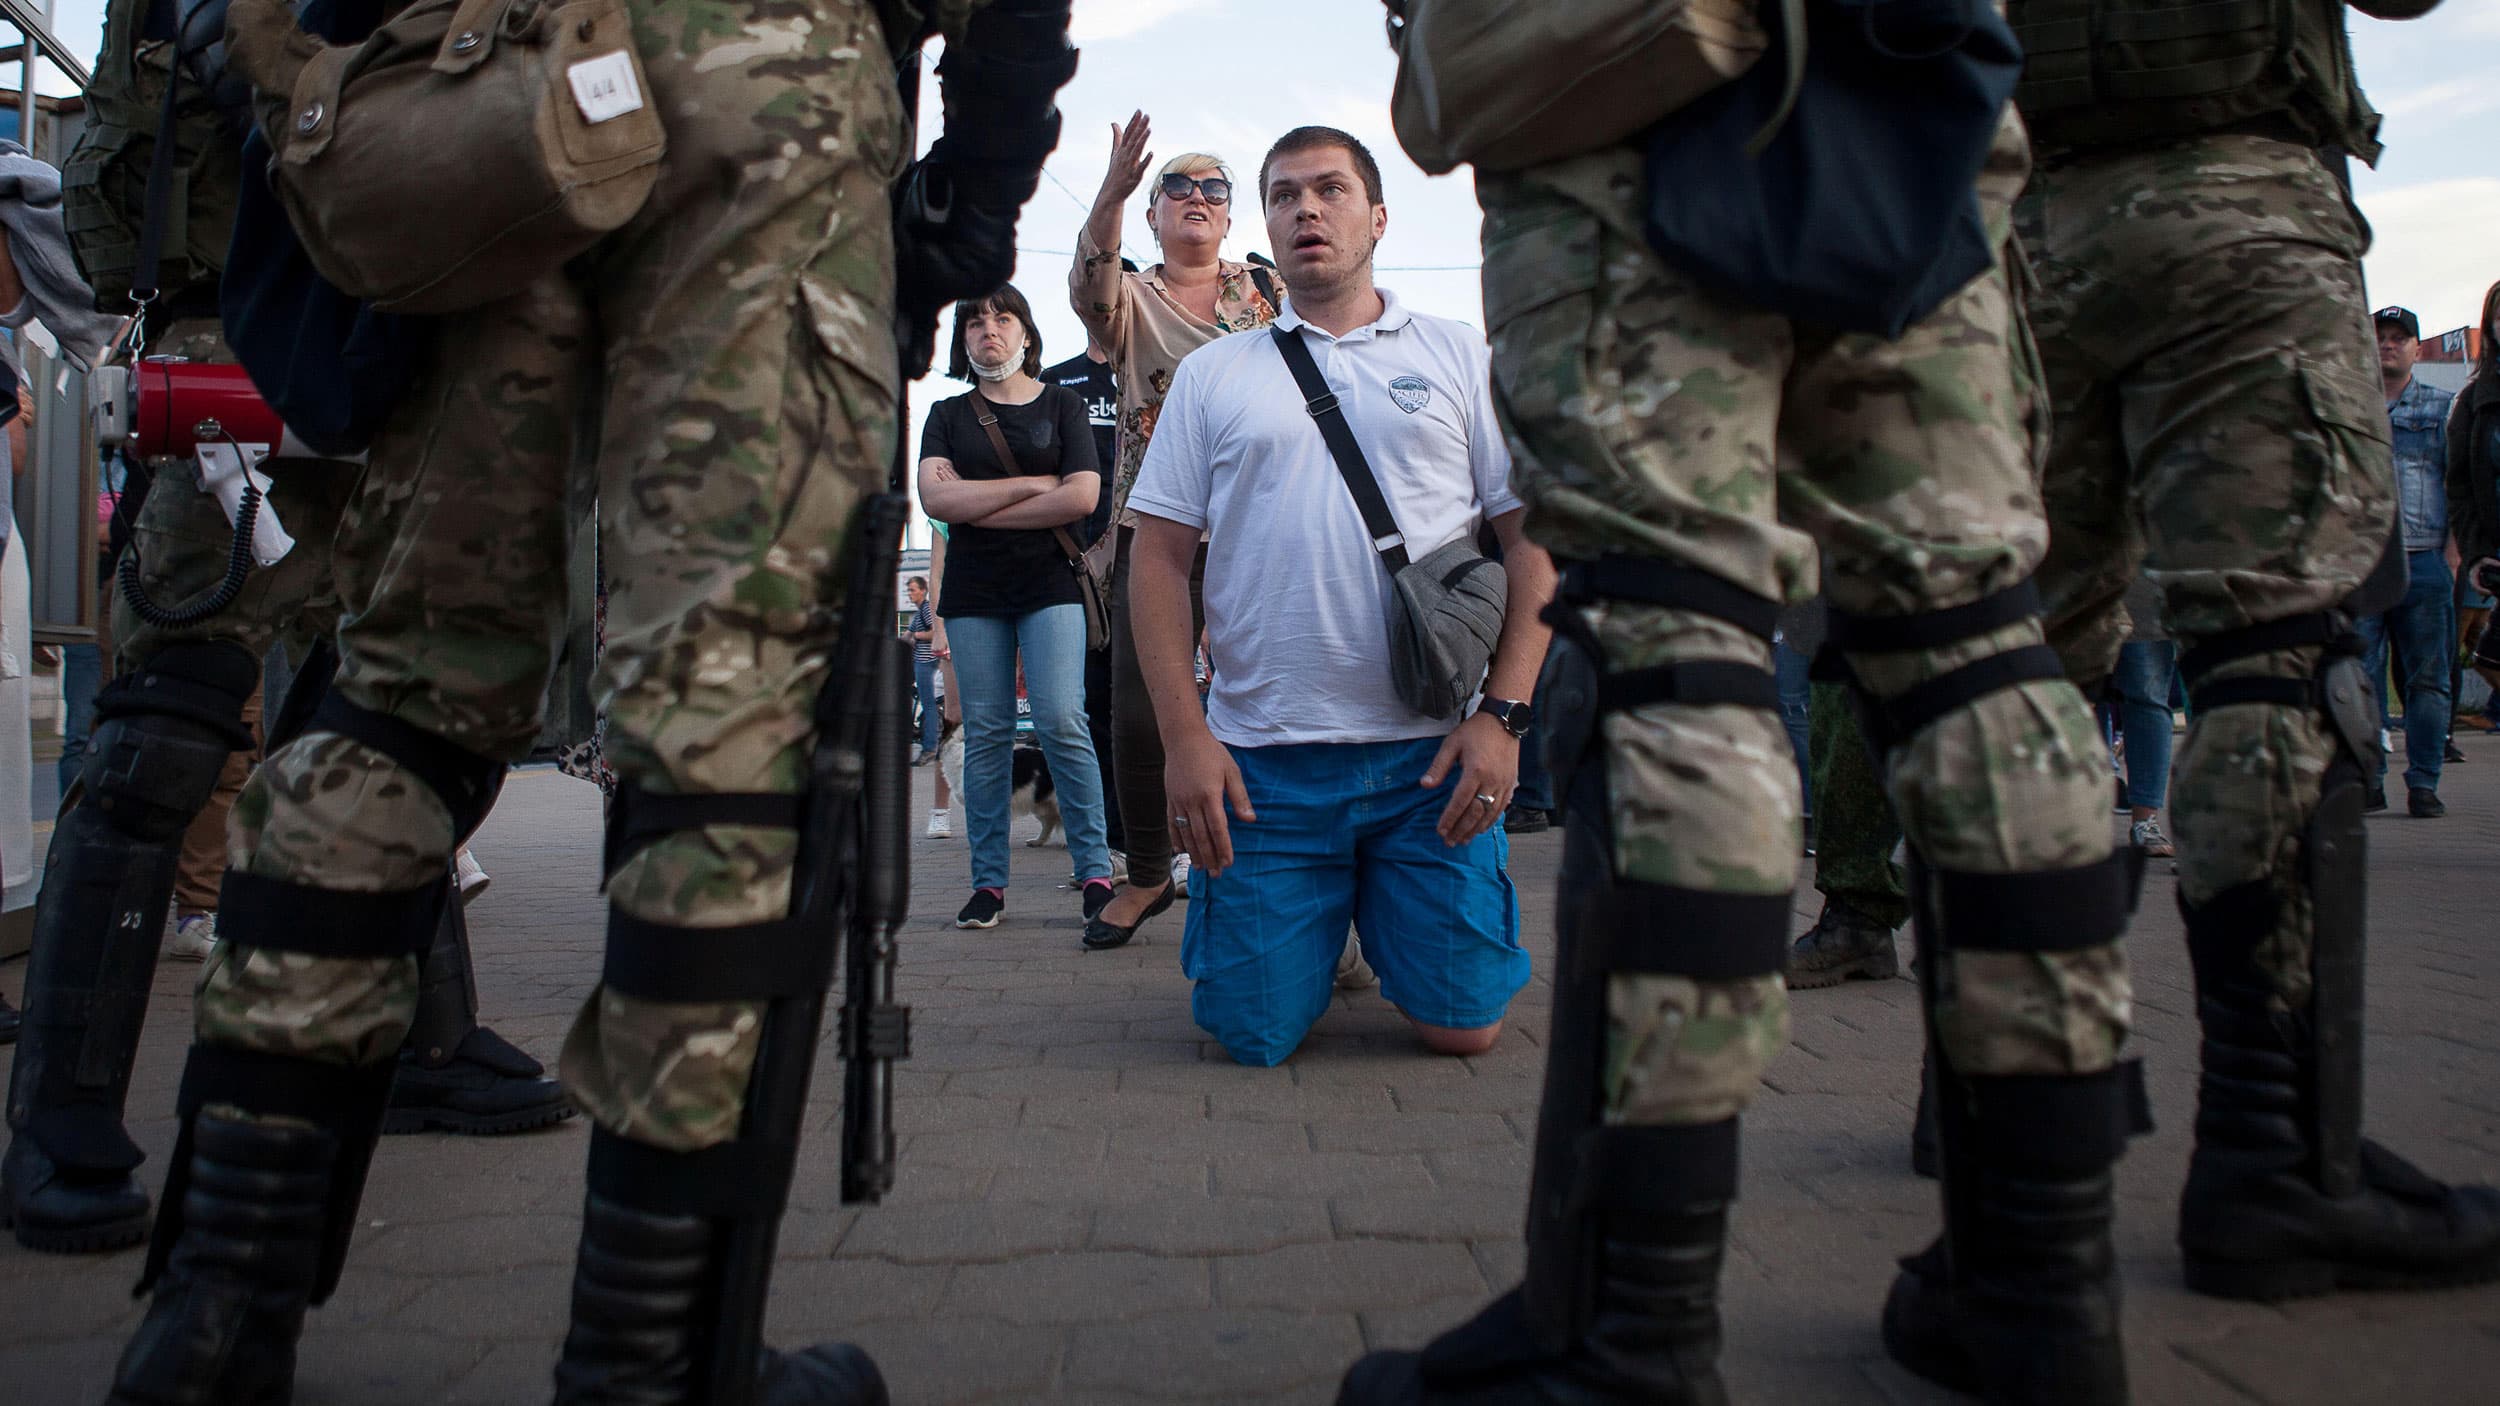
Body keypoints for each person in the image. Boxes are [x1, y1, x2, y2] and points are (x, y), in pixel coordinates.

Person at [99, 3, 1077, 1401]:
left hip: (497, 100)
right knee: (724, 730)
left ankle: (215, 1305)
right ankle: (644, 1353)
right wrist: (978, 193)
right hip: (760, 100)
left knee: (405, 694)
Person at [1342, 32, 2142, 1406]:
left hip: (1629, 93)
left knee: (1676, 657)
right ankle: (2045, 1286)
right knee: (1976, 654)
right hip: (1907, 87)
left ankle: (1631, 1327)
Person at [0, 96, 566, 1261]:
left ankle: (425, 1039)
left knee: (396, 709)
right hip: (251, 331)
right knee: (171, 717)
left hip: (417, 347)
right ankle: (60, 1118)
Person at [2021, 0, 2499, 1380]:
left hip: (2010, 234)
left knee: (2017, 680)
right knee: (2271, 661)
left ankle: (2004, 1149)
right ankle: (2272, 1155)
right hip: (2233, 196)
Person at [1129, 126, 1552, 1068]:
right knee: (1252, 1034)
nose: (1306, 210)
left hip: (1428, 764)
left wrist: (1505, 719)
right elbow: (1155, 564)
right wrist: (1187, 738)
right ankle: (1320, 930)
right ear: (1267, 228)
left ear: (1378, 216)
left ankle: (1370, 916)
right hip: (1265, 769)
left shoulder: (1456, 355)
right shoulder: (1213, 376)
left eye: (1329, 190)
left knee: (1464, 1029)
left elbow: (1536, 540)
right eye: (1284, 196)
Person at [1071, 116, 1284, 951]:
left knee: (1267, 695)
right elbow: (1090, 289)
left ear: (1231, 217)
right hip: (1155, 521)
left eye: (1214, 190)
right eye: (1179, 188)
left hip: (1266, 517)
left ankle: (1266, 863)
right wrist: (1113, 191)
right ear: (1155, 215)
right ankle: (1150, 875)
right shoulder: (1133, 300)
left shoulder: (1266, 291)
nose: (1196, 199)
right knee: (1138, 708)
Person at [917, 283, 1115, 930]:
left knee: (1062, 718)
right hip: (974, 589)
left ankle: (1093, 870)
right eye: (974, 322)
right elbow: (938, 503)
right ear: (962, 339)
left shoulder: (1063, 406)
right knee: (989, 731)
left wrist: (980, 498)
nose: (988, 330)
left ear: (1026, 334)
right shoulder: (946, 414)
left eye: (1002, 318)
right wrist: (1035, 484)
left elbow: (1083, 498)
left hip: (1049, 581)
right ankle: (988, 885)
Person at [2355, 305, 2455, 817]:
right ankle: (2370, 779)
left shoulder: (2443, 408)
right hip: (2365, 562)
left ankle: (2424, 782)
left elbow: (2460, 484)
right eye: (2381, 336)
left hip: (2425, 557)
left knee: (2428, 678)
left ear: (2418, 348)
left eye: (2400, 337)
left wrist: (2454, 553)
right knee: (2362, 677)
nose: (2389, 345)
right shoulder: (2351, 407)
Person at [1041, 336, 1126, 855]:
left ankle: (1168, 843)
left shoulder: (1169, 371)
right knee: (1089, 709)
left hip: (1152, 554)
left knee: (1147, 707)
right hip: (1079, 568)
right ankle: (1104, 843)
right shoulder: (1058, 381)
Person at [2451, 278, 2500, 706]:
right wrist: (2476, 549)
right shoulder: (2474, 402)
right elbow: (2460, 486)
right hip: (2495, 553)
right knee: (2487, 657)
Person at [2109, 575, 2179, 857]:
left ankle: (2145, 821)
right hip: (2079, 576)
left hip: (2142, 589)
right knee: (2064, 694)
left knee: (2148, 696)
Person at [906, 575, 940, 766]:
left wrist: (916, 636)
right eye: (909, 590)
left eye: (913, 590)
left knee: (929, 706)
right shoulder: (919, 613)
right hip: (919, 662)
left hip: (927, 662)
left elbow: (935, 632)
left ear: (923, 590)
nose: (910, 594)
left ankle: (929, 748)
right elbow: (907, 634)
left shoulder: (927, 609)